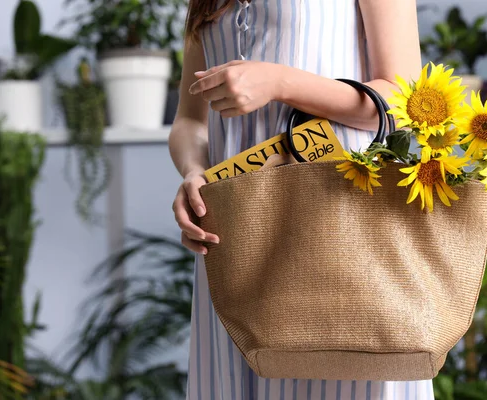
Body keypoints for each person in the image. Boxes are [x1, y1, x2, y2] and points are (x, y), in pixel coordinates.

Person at [169, 0, 432, 399]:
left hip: (336, 228)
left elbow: (407, 100)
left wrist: (281, 83)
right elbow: (190, 118)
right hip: (234, 237)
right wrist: (193, 171)